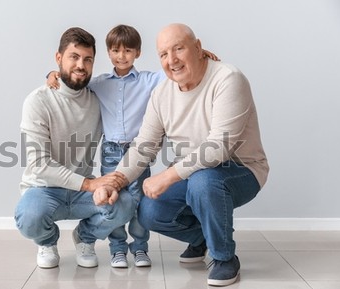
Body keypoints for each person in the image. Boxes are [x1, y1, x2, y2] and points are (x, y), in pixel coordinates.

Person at [93, 23, 269, 286]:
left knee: (203, 181)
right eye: (164, 54)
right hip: (194, 173)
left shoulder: (228, 79)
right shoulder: (162, 93)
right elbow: (144, 145)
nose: (172, 59)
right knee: (148, 210)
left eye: (179, 49)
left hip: (241, 170)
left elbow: (217, 148)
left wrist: (166, 176)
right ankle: (201, 239)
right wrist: (114, 181)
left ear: (198, 48)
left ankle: (224, 258)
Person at [47, 24, 218, 269]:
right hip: (110, 152)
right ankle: (117, 249)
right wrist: (51, 74)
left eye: (128, 51)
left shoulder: (151, 80)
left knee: (139, 202)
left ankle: (139, 248)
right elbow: (73, 77)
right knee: (112, 200)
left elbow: (179, 67)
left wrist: (201, 54)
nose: (122, 56)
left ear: (137, 53)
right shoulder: (99, 83)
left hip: (138, 153)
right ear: (108, 54)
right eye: (116, 51)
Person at [14, 27, 136, 269]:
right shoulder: (38, 101)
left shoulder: (99, 99)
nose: (81, 65)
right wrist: (92, 184)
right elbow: (40, 166)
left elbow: (133, 89)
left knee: (125, 204)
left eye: (88, 59)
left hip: (82, 191)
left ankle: (85, 238)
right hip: (44, 190)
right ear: (58, 59)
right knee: (29, 216)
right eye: (74, 57)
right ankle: (47, 241)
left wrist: (193, 59)